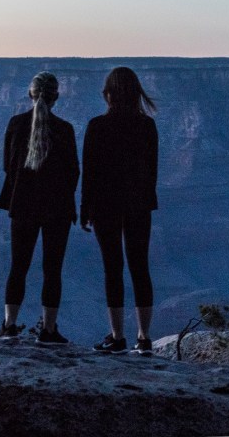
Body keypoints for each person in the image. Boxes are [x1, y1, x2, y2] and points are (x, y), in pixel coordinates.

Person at [0, 71, 79, 345]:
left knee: (18, 266)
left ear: (30, 95)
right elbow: (73, 172)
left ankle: (9, 325)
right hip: (58, 208)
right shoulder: (65, 129)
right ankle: (49, 330)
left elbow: (8, 166)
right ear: (56, 97)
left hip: (23, 204)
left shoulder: (16, 124)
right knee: (52, 269)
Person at [81, 66, 158, 355]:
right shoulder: (147, 126)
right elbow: (152, 171)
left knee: (112, 268)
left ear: (109, 94)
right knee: (140, 267)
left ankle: (117, 337)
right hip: (139, 204)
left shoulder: (97, 126)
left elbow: (89, 172)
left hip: (105, 205)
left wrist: (84, 208)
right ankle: (145, 338)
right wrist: (148, 201)